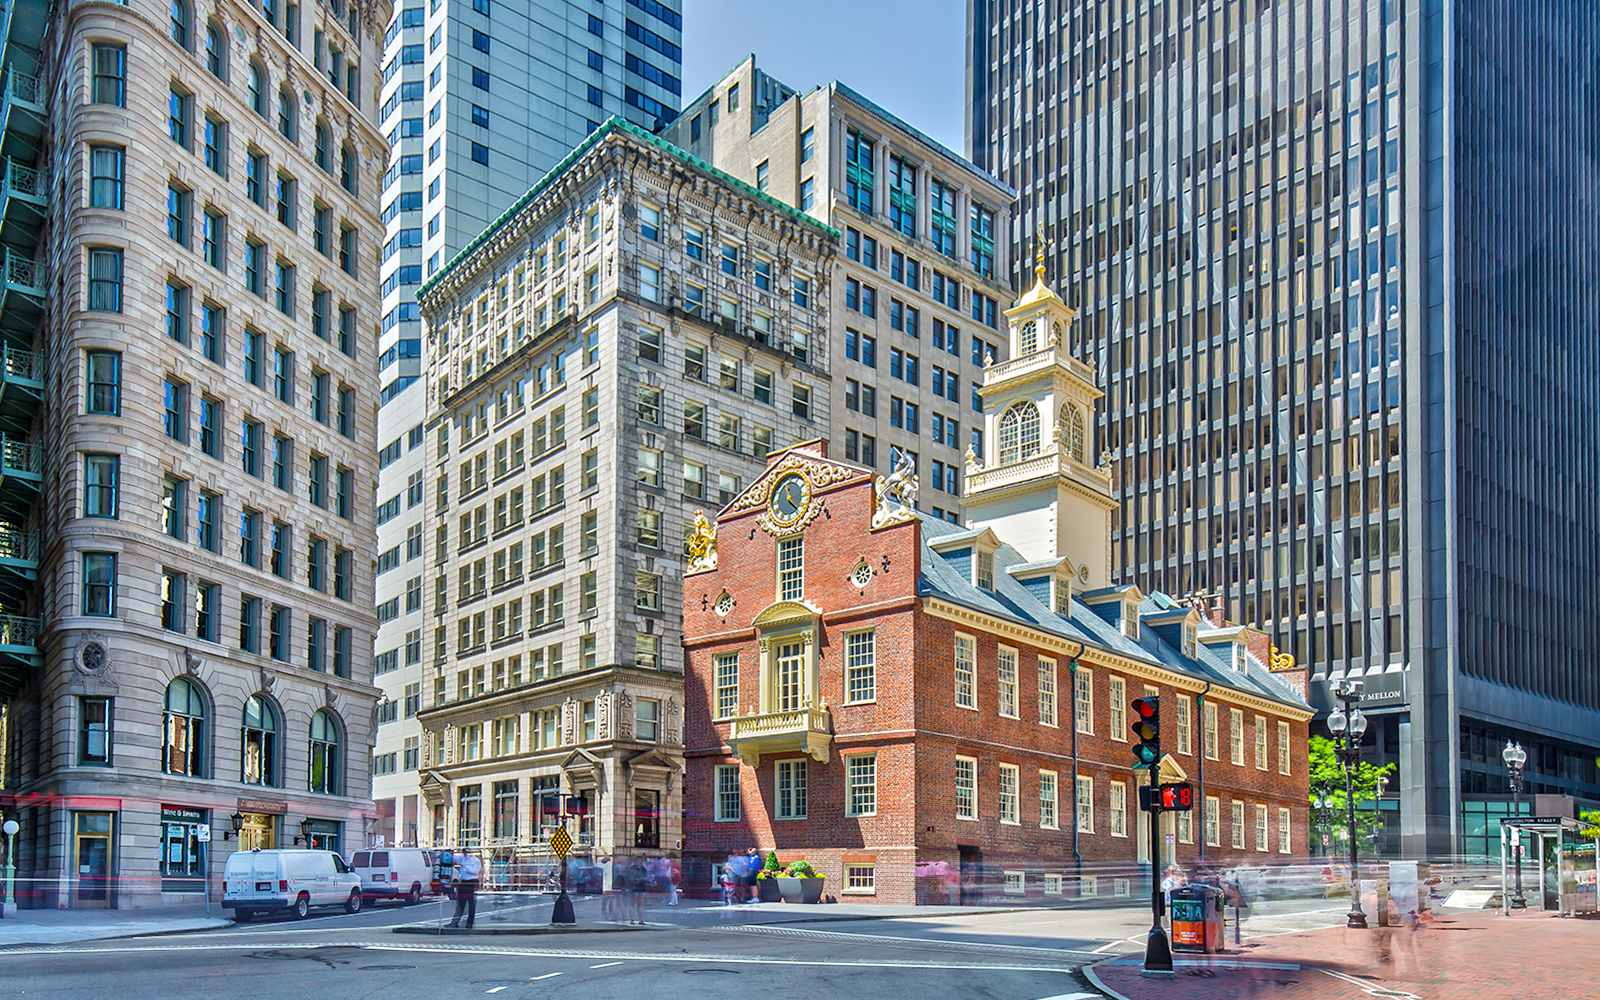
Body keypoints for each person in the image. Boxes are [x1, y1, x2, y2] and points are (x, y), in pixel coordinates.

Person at [447, 849, 482, 929]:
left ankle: (470, 923)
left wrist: (465, 866)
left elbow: (474, 871)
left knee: (471, 903)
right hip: (462, 882)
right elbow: (454, 859)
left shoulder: (475, 860)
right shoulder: (462, 858)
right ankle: (455, 921)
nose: (465, 854)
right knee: (460, 902)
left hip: (471, 882)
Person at [625, 855, 650, 924]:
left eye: (641, 861)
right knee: (633, 904)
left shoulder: (643, 869)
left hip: (641, 888)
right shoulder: (633, 869)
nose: (640, 863)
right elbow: (629, 878)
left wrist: (644, 880)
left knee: (640, 904)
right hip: (634, 888)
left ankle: (641, 920)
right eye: (638, 861)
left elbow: (646, 877)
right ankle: (632, 919)